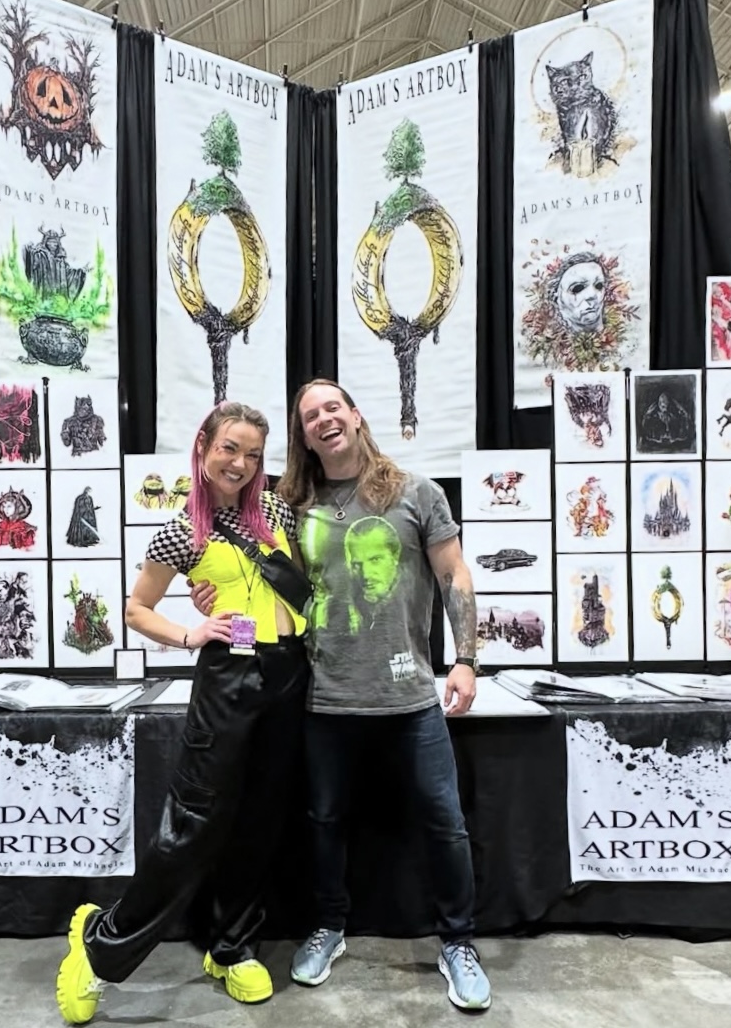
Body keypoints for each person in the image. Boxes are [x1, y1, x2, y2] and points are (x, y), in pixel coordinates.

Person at [195, 379, 491, 1010]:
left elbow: (453, 572)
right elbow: (258, 581)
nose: (323, 419)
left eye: (333, 407)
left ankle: (458, 942)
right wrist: (210, 598)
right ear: (303, 436)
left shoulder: (416, 492)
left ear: (355, 416)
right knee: (324, 823)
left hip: (409, 696)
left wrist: (466, 660)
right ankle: (329, 927)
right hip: (322, 696)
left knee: (444, 823)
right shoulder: (288, 505)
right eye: (310, 416)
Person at [55, 403, 309, 1025]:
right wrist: (192, 633)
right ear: (203, 447)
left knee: (261, 820)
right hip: (228, 679)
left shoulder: (276, 512)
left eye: (253, 454)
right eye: (230, 449)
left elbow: (296, 587)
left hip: (289, 674)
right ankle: (100, 944)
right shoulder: (181, 530)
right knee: (193, 824)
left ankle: (232, 947)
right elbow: (136, 609)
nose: (240, 464)